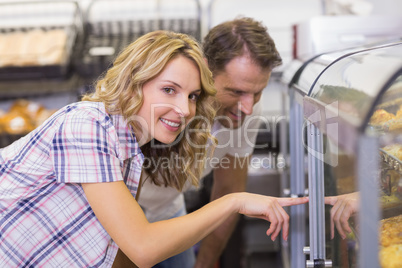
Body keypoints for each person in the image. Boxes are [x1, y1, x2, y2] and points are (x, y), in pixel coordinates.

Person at [0, 30, 308, 268]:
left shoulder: (131, 149)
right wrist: (234, 201)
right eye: (169, 90)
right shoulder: (87, 126)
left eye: (192, 96)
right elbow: (143, 248)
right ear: (134, 82)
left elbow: (112, 246)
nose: (186, 110)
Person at [137, 17, 292, 268]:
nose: (249, 108)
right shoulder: (169, 107)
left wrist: (205, 263)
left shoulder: (247, 111)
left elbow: (229, 190)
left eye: (258, 92)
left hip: (168, 210)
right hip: (117, 211)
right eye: (236, 91)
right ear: (205, 71)